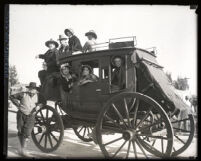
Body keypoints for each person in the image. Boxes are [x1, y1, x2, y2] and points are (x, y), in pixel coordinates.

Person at [9, 82, 46, 157]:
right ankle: (21, 147)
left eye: (34, 89)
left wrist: (39, 106)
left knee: (27, 132)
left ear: (36, 90)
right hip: (21, 114)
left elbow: (44, 102)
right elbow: (12, 96)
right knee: (20, 130)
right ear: (28, 89)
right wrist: (18, 105)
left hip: (31, 116)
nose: (32, 90)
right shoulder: (23, 94)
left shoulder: (39, 96)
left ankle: (23, 149)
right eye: (31, 89)